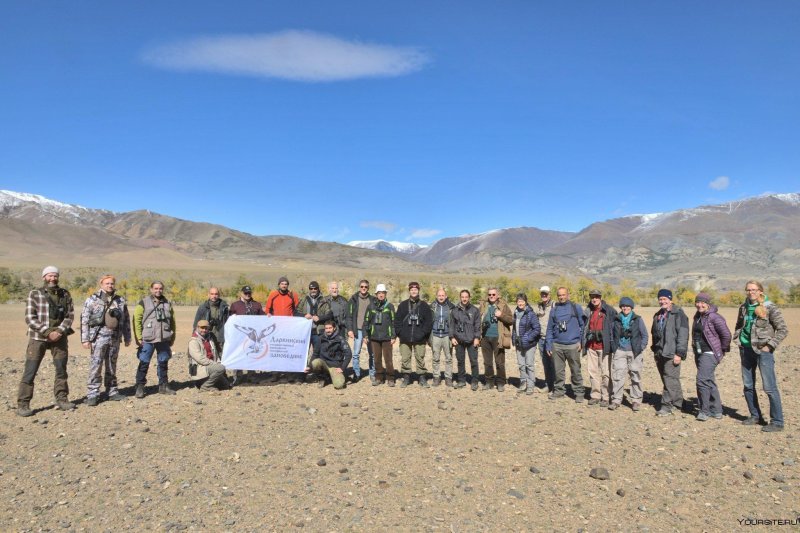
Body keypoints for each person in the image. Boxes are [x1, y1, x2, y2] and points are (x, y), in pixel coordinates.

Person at [17, 266, 75, 416]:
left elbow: (70, 316)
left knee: (61, 369)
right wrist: (48, 332)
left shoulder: (65, 294)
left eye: (55, 276)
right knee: (30, 370)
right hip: (38, 338)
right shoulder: (35, 294)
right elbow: (30, 317)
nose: (52, 278)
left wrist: (59, 331)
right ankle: (23, 404)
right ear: (44, 277)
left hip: (60, 338)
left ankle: (62, 398)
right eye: (49, 276)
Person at [733, 281, 789, 432]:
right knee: (748, 385)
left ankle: (777, 422)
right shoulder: (743, 307)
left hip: (763, 352)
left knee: (769, 387)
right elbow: (739, 325)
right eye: (748, 290)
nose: (751, 292)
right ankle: (755, 416)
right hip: (745, 350)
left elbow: (783, 329)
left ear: (760, 291)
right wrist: (738, 339)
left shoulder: (770, 307)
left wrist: (769, 346)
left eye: (754, 290)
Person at [80, 275, 131, 406]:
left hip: (115, 337)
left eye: (112, 283)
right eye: (107, 283)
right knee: (96, 366)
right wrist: (85, 339)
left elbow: (126, 319)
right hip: (98, 338)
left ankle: (112, 391)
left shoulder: (120, 300)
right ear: (101, 284)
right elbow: (84, 320)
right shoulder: (92, 299)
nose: (110, 285)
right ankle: (93, 394)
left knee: (112, 366)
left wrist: (127, 336)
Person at [691, 292, 731, 421]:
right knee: (709, 381)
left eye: (703, 302)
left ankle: (704, 411)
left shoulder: (715, 317)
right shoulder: (697, 316)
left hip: (709, 353)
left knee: (701, 381)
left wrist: (721, 350)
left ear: (708, 304)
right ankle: (717, 410)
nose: (700, 305)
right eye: (698, 302)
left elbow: (726, 335)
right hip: (699, 352)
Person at [133, 281, 177, 398]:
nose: (158, 290)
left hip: (163, 338)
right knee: (144, 362)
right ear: (151, 289)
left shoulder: (167, 303)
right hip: (147, 338)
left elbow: (172, 321)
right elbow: (136, 320)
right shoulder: (143, 303)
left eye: (160, 288)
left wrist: (172, 336)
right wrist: (138, 338)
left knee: (163, 362)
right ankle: (140, 387)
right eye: (156, 288)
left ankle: (163, 386)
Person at [651, 289, 689, 416]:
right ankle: (679, 403)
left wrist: (679, 353)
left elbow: (683, 335)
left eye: (665, 299)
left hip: (672, 353)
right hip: (659, 353)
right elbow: (654, 333)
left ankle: (666, 406)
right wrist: (654, 349)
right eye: (660, 299)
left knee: (669, 379)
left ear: (670, 300)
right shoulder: (657, 315)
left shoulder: (679, 314)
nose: (662, 301)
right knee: (670, 379)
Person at [545, 287, 586, 402]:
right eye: (559, 295)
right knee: (558, 371)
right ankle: (559, 391)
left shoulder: (575, 307)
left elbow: (583, 326)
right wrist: (549, 344)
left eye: (563, 295)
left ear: (568, 295)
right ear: (557, 296)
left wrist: (581, 341)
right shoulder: (554, 310)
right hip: (557, 345)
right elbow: (549, 328)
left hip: (573, 345)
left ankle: (578, 393)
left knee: (576, 370)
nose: (561, 297)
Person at [610, 297, 648, 411]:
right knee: (618, 376)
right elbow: (612, 335)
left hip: (634, 351)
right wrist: (614, 347)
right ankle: (616, 400)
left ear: (631, 307)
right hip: (619, 351)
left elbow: (645, 335)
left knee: (635, 376)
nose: (625, 308)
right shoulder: (616, 319)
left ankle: (636, 400)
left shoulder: (638, 319)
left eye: (627, 306)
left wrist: (640, 347)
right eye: (623, 306)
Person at [394, 281, 433, 387]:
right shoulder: (403, 305)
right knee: (405, 358)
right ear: (409, 291)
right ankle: (406, 377)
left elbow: (429, 322)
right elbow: (397, 320)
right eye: (412, 290)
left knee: (420, 357)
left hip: (420, 338)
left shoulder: (424, 306)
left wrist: (423, 333)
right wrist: (400, 333)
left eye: (415, 289)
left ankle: (421, 377)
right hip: (405, 337)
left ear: (418, 290)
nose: (414, 291)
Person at [582, 289, 617, 407]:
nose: (594, 299)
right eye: (592, 297)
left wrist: (612, 342)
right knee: (592, 372)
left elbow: (615, 327)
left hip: (604, 346)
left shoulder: (609, 310)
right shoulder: (588, 311)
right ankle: (595, 395)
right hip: (591, 346)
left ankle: (606, 397)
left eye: (596, 297)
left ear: (600, 297)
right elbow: (584, 327)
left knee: (606, 373)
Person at [228, 285, 264, 385]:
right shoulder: (235, 305)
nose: (247, 295)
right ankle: (238, 377)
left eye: (249, 293)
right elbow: (229, 320)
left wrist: (269, 317)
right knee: (239, 354)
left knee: (252, 354)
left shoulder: (257, 304)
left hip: (253, 336)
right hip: (239, 336)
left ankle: (251, 375)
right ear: (241, 293)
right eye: (245, 293)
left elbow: (263, 318)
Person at [479, 287, 513, 392]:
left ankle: (501, 382)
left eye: (493, 294)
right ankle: (489, 382)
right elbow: (477, 319)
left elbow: (511, 320)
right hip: (485, 337)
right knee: (487, 362)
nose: (491, 296)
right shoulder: (483, 305)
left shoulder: (503, 306)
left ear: (497, 295)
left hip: (498, 337)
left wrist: (501, 315)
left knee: (499, 362)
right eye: (490, 295)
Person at [364, 284, 396, 386]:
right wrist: (365, 335)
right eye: (379, 293)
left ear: (385, 294)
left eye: (383, 293)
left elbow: (394, 322)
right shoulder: (371, 306)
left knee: (388, 359)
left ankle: (390, 378)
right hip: (374, 337)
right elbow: (366, 322)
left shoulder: (390, 307)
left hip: (387, 337)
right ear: (376, 294)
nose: (381, 295)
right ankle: (379, 378)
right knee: (377, 359)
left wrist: (394, 336)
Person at [449, 290, 482, 390]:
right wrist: (452, 337)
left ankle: (475, 381)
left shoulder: (475, 310)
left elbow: (478, 325)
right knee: (460, 361)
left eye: (466, 297)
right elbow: (451, 325)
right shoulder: (454, 310)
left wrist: (477, 337)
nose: (464, 299)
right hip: (458, 340)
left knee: (474, 361)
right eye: (462, 297)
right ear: (460, 297)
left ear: (469, 297)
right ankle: (461, 380)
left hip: (472, 340)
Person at [306, 321, 352, 390]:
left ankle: (331, 377)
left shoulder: (340, 339)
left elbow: (348, 354)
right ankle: (322, 378)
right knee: (315, 362)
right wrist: (309, 366)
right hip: (324, 364)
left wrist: (342, 368)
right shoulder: (320, 338)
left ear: (334, 328)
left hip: (335, 366)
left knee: (339, 385)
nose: (328, 330)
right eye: (326, 328)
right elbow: (315, 354)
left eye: (330, 328)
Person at [347, 279, 377, 383]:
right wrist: (350, 329)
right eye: (362, 286)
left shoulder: (373, 299)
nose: (363, 288)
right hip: (358, 330)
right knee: (356, 353)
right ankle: (356, 373)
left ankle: (372, 373)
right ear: (359, 287)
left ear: (368, 288)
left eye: (366, 287)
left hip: (369, 331)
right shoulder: (354, 299)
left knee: (372, 354)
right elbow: (349, 316)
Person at [188, 320, 229, 392]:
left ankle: (208, 384)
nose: (204, 330)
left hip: (210, 367)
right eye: (202, 328)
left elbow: (215, 354)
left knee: (226, 385)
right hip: (200, 369)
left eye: (206, 328)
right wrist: (215, 365)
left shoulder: (210, 339)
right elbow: (200, 359)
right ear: (197, 328)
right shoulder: (193, 341)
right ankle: (205, 386)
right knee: (220, 368)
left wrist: (218, 363)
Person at [512, 293, 541, 395]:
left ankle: (530, 385)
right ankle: (523, 382)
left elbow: (537, 329)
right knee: (521, 365)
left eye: (522, 301)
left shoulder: (530, 314)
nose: (520, 303)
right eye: (518, 301)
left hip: (529, 344)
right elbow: (515, 329)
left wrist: (528, 338)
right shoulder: (515, 313)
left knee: (529, 365)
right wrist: (514, 339)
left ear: (526, 302)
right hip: (519, 343)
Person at [429, 288, 456, 387]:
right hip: (435, 335)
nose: (441, 297)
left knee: (448, 358)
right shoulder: (432, 306)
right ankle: (436, 377)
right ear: (436, 296)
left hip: (447, 336)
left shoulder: (451, 307)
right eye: (439, 295)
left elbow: (453, 322)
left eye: (442, 295)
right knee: (435, 358)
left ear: (446, 296)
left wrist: (453, 335)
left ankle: (448, 377)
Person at [193, 287, 229, 352]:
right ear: (208, 295)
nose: (214, 296)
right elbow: (196, 324)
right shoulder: (203, 307)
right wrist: (194, 337)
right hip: (206, 336)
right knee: (208, 356)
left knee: (222, 358)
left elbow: (229, 323)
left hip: (220, 337)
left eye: (216, 294)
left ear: (219, 295)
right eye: (212, 294)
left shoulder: (224, 307)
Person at [535, 286, 556, 393]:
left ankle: (557, 387)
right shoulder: (539, 306)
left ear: (549, 294)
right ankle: (548, 385)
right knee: (545, 363)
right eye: (542, 294)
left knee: (554, 363)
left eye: (546, 294)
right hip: (541, 339)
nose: (544, 295)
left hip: (551, 339)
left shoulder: (555, 305)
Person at [298, 281, 323, 354]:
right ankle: (305, 366)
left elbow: (329, 314)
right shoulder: (304, 300)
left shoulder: (323, 300)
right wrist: (304, 315)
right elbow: (295, 312)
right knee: (303, 353)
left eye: (315, 288)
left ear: (318, 289)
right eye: (311, 288)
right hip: (306, 332)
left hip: (318, 332)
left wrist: (319, 318)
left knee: (318, 353)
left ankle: (315, 366)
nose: (313, 290)